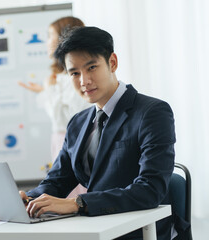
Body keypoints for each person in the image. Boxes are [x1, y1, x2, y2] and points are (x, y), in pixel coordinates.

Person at [19, 26, 183, 239]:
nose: (84, 81)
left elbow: (150, 190)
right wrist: (28, 199)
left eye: (92, 68)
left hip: (137, 231)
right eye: (74, 73)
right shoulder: (78, 122)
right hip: (94, 230)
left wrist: (77, 203)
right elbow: (57, 181)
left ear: (112, 63)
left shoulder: (152, 112)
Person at [18, 17, 90, 163]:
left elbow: (68, 117)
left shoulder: (74, 76)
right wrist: (45, 90)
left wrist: (49, 89)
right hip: (62, 141)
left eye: (51, 35)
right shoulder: (61, 76)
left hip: (74, 141)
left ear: (64, 38)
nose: (47, 42)